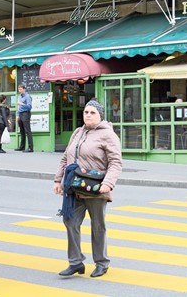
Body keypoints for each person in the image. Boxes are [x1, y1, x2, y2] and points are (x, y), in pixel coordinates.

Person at [53, 99, 122, 278]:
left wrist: (108, 183)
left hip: (96, 188)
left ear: (100, 116)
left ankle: (101, 262)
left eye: (92, 112)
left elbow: (115, 162)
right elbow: (65, 158)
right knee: (70, 222)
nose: (88, 115)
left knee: (98, 226)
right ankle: (76, 262)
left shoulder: (108, 135)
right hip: (75, 187)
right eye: (86, 112)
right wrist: (58, 180)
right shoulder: (78, 132)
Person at [15, 84, 33, 153]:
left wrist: (22, 104)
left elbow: (29, 107)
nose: (19, 91)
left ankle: (30, 148)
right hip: (20, 114)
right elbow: (18, 107)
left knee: (27, 131)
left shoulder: (27, 96)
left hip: (26, 113)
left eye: (20, 89)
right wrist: (17, 115)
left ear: (24, 89)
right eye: (18, 89)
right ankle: (22, 147)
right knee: (21, 131)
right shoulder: (19, 96)